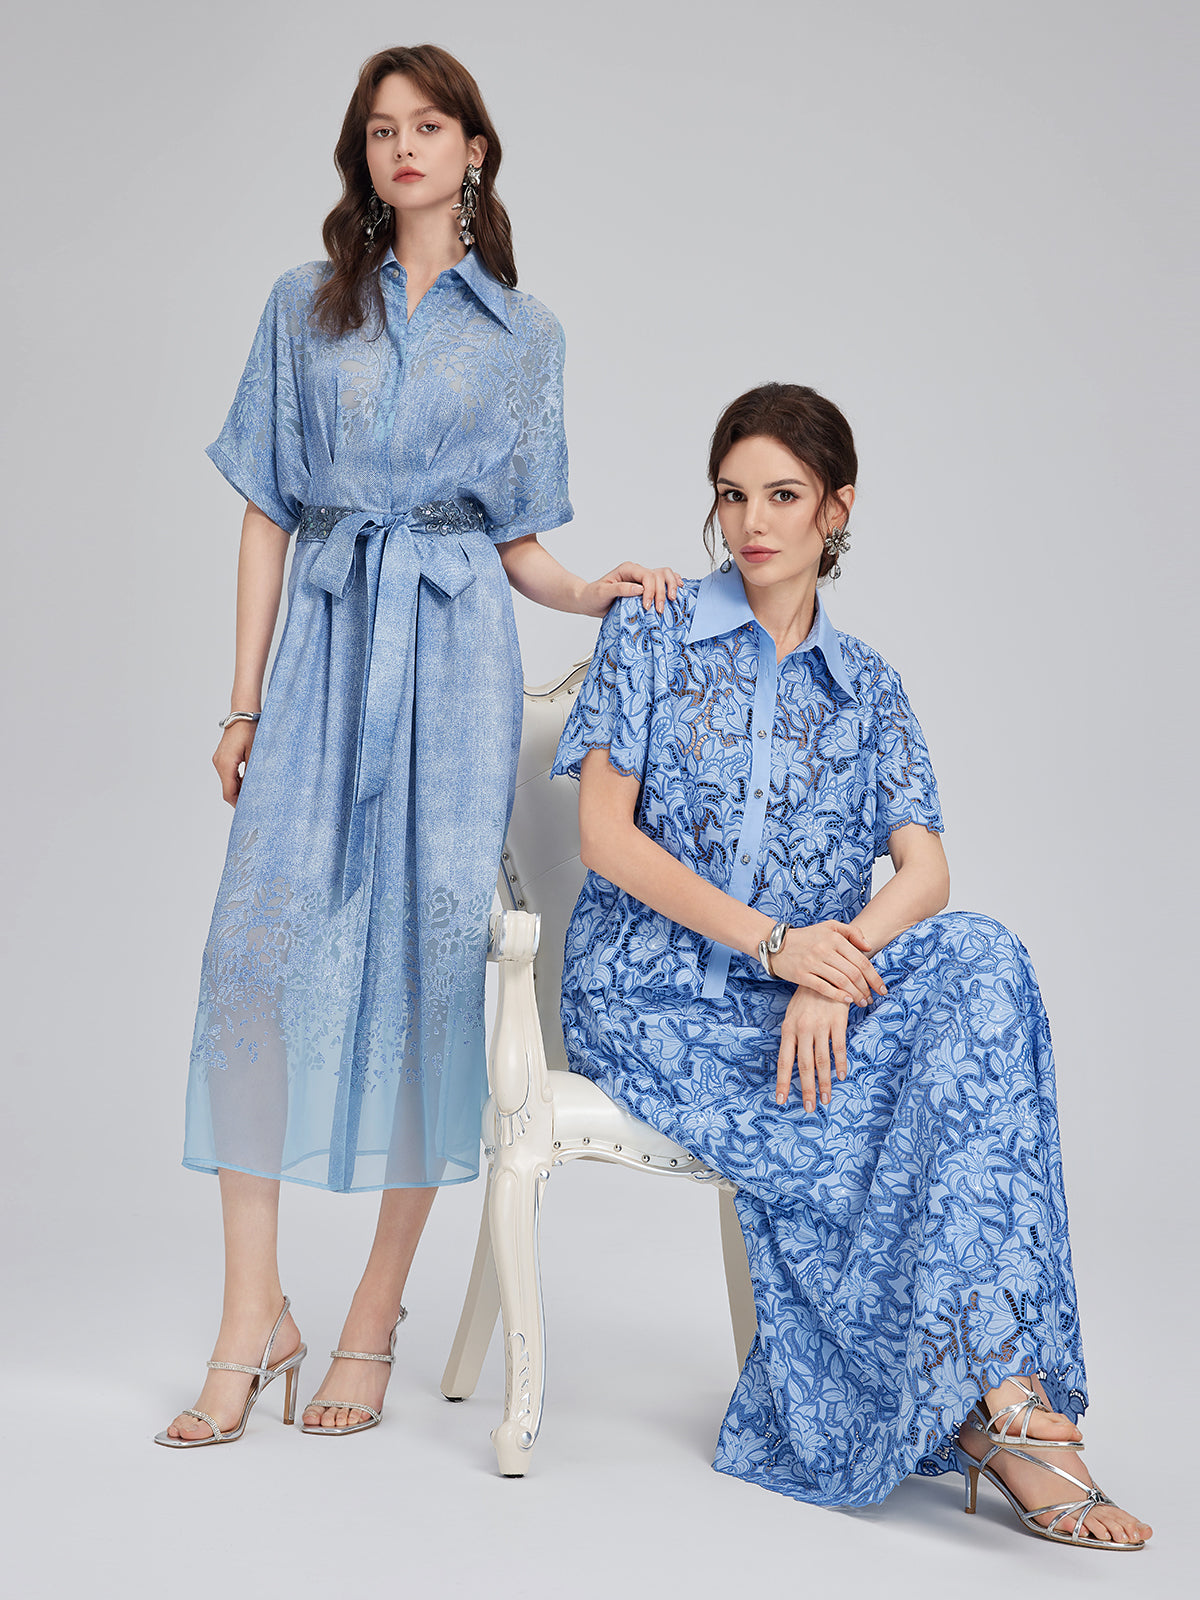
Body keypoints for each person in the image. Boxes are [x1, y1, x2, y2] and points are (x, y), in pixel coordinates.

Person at [158, 44, 679, 1448]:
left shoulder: (526, 336)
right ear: (364, 157)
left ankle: (374, 1314)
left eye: (428, 125)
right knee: (252, 959)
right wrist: (241, 702)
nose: (403, 147)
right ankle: (252, 1316)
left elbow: (517, 541)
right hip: (325, 652)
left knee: (435, 973)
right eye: (381, 129)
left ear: (473, 150)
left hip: (453, 670)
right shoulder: (303, 306)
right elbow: (266, 508)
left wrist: (594, 591)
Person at [551, 383, 1151, 1548]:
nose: (752, 523)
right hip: (653, 997)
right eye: (733, 495)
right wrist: (782, 948)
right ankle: (995, 1412)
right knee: (903, 1102)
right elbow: (604, 839)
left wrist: (835, 965)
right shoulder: (652, 632)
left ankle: (997, 1392)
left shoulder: (869, 686)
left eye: (783, 496)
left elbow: (927, 872)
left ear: (837, 509)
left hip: (796, 993)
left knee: (983, 958)